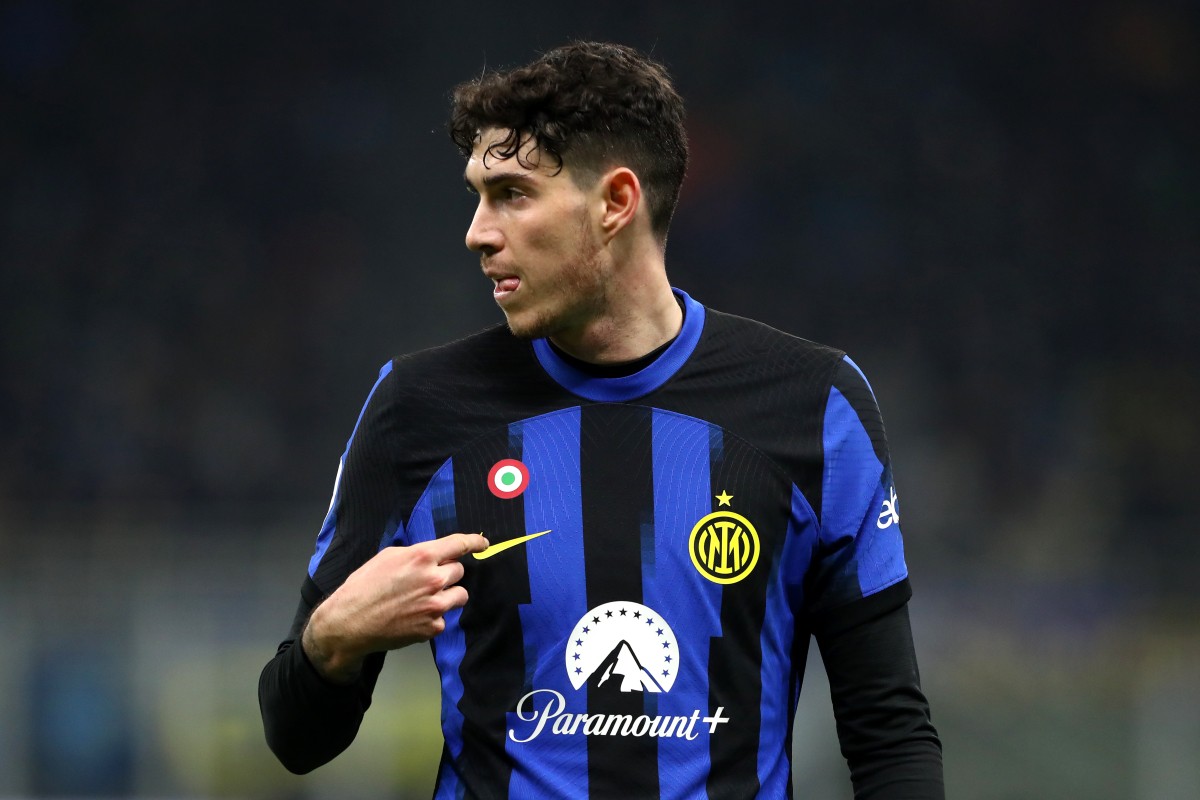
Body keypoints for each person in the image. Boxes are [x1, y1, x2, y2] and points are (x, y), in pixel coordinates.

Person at [258, 40, 943, 799]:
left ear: (617, 203)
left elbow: (889, 734)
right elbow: (295, 740)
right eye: (477, 196)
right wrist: (328, 645)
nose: (478, 232)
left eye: (513, 194)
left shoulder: (813, 406)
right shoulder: (417, 410)